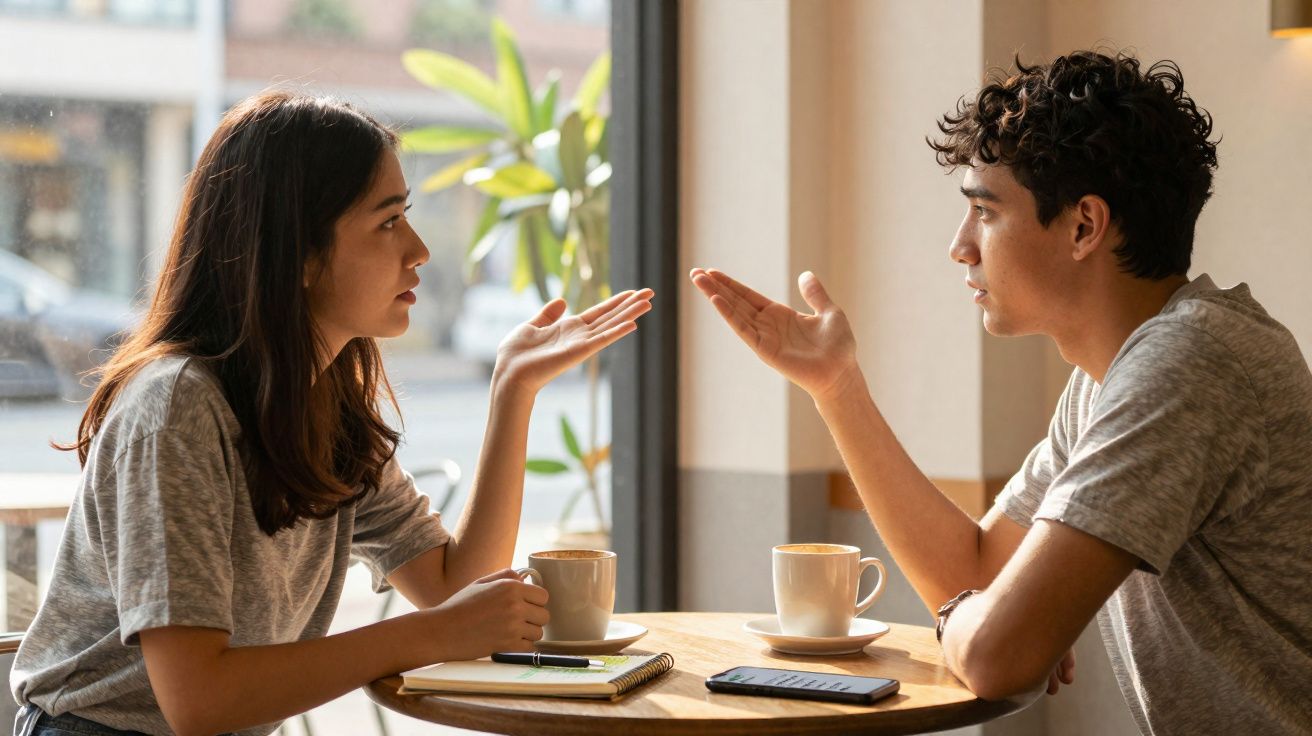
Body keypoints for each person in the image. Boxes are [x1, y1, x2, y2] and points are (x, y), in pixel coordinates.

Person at [691, 50, 1311, 735]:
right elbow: (977, 569)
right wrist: (838, 388)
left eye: (984, 212)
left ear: (1083, 226)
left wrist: (970, 619)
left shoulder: (1188, 364)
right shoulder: (1110, 379)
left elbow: (993, 654)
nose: (960, 246)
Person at [10, 91, 653, 736]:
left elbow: (456, 590)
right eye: (388, 221)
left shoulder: (325, 406)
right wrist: (427, 635)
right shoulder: (178, 406)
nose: (419, 249)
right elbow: (198, 700)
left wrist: (514, 389)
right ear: (300, 255)